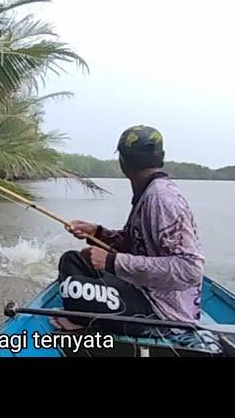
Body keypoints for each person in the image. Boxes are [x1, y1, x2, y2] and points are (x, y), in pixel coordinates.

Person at [53, 125, 205, 337]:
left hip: (163, 312)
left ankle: (84, 321)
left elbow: (189, 270)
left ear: (123, 161)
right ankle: (87, 315)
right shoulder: (148, 192)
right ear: (160, 158)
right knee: (72, 260)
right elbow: (136, 243)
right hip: (141, 287)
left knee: (74, 288)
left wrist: (111, 262)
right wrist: (97, 234)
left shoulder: (162, 198)